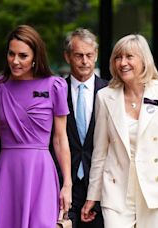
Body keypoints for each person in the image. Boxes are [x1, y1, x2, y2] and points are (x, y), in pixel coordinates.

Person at [0, 24, 72, 228]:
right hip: (8, 172)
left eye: (23, 56)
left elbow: (60, 139)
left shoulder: (54, 86)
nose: (15, 61)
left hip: (41, 172)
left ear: (35, 57)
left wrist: (67, 183)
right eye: (11, 54)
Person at [81, 34, 158, 227]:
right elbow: (100, 152)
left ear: (143, 59)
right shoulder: (104, 97)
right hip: (116, 192)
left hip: (155, 190)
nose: (122, 63)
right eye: (118, 57)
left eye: (129, 57)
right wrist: (93, 195)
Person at [51, 28, 107, 228]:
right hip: (63, 185)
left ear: (96, 55)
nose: (85, 61)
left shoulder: (110, 92)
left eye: (89, 55)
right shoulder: (56, 91)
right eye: (78, 55)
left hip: (101, 187)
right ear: (67, 56)